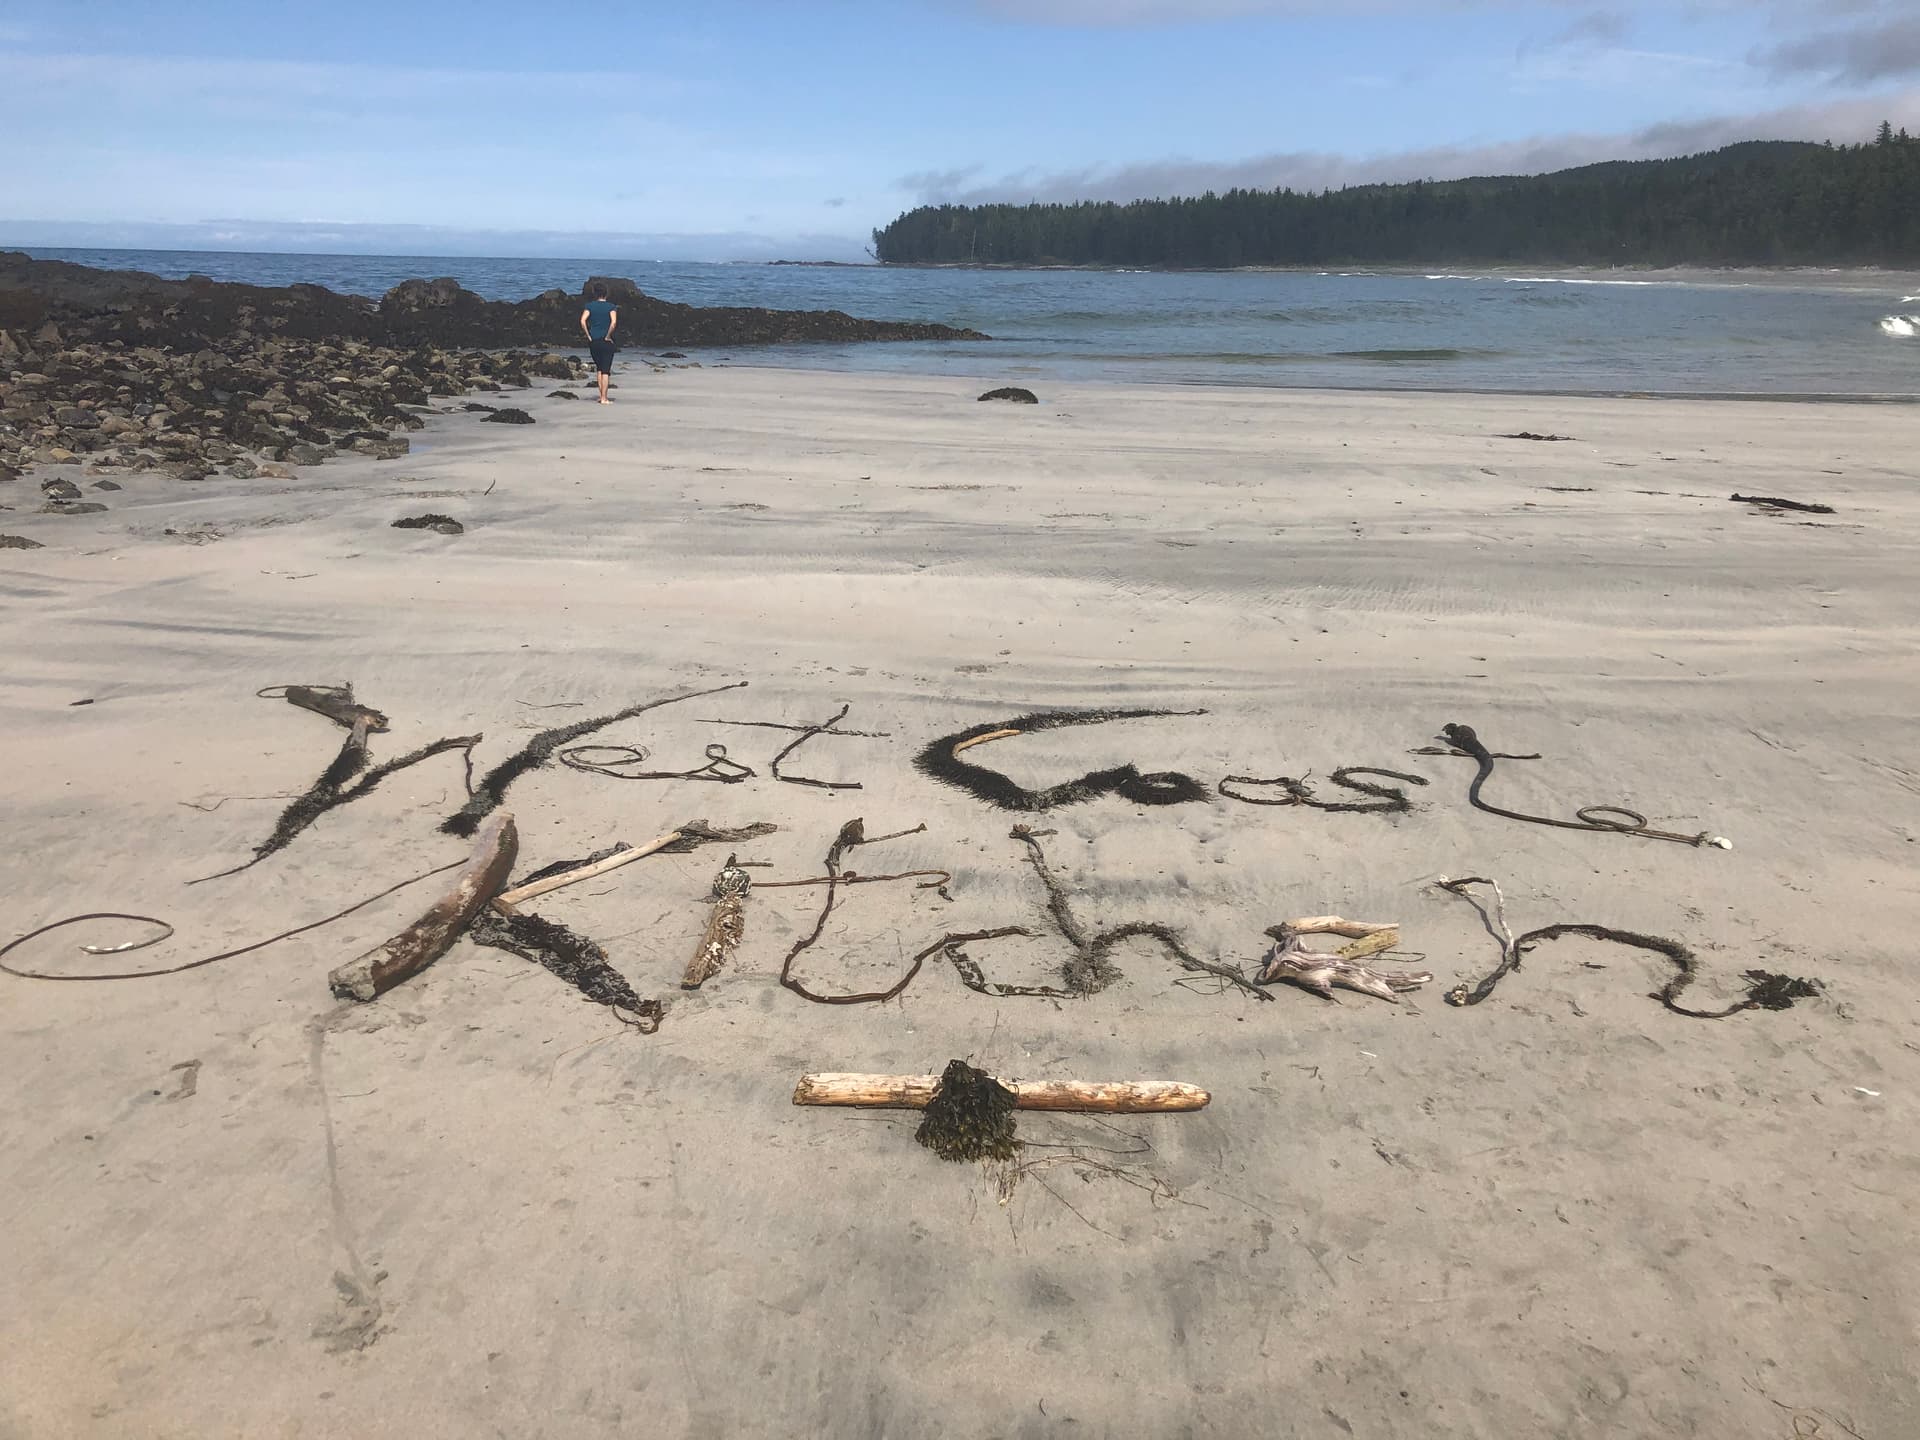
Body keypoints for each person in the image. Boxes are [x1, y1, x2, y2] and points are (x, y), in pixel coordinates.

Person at [579, 283, 619, 403]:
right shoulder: (611, 306)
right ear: (606, 293)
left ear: (595, 293)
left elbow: (582, 321)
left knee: (599, 368)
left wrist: (588, 335)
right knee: (606, 370)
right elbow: (613, 322)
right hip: (606, 341)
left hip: (594, 340)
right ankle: (604, 398)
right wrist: (608, 335)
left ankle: (601, 395)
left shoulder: (590, 306)